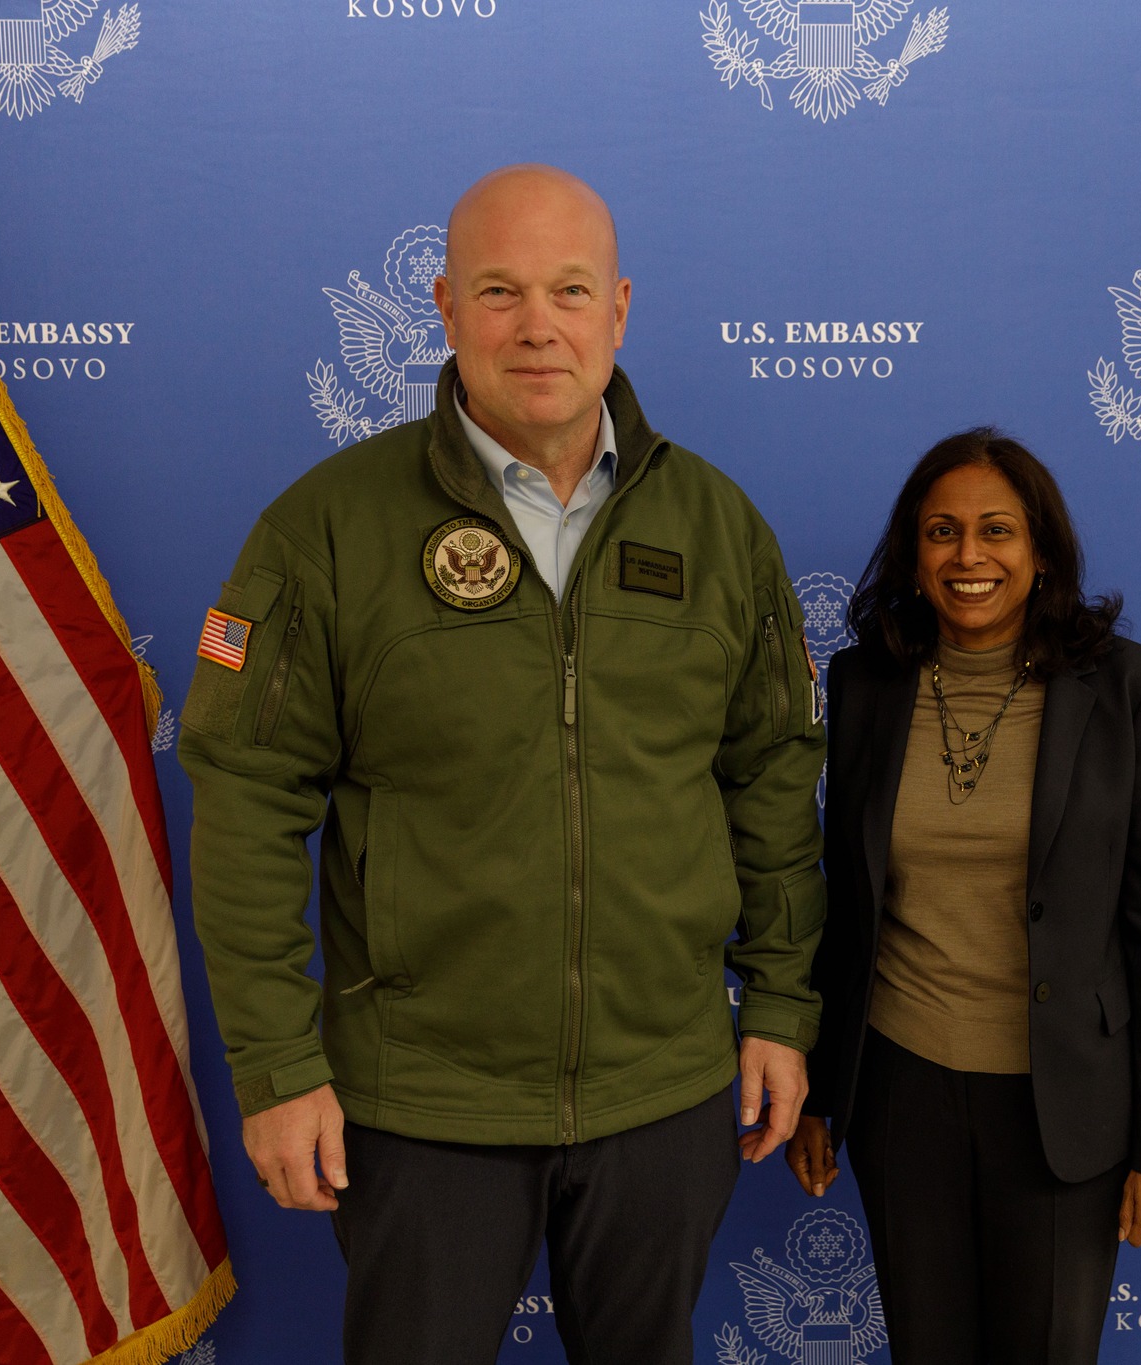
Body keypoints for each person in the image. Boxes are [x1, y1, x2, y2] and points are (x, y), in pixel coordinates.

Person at [179, 165, 828, 1365]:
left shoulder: (717, 529)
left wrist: (781, 1007)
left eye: (570, 291)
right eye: (499, 291)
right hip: (422, 1103)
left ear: (618, 309)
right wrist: (274, 1068)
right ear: (444, 306)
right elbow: (249, 801)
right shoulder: (328, 528)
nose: (538, 325)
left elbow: (773, 784)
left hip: (663, 1092)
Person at [785, 428, 1141, 1363]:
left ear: (1041, 550)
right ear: (913, 554)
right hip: (901, 1092)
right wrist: (820, 1090)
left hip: (1065, 1105)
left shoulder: (1126, 686)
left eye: (997, 530)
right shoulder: (863, 683)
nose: (968, 555)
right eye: (942, 531)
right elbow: (841, 909)